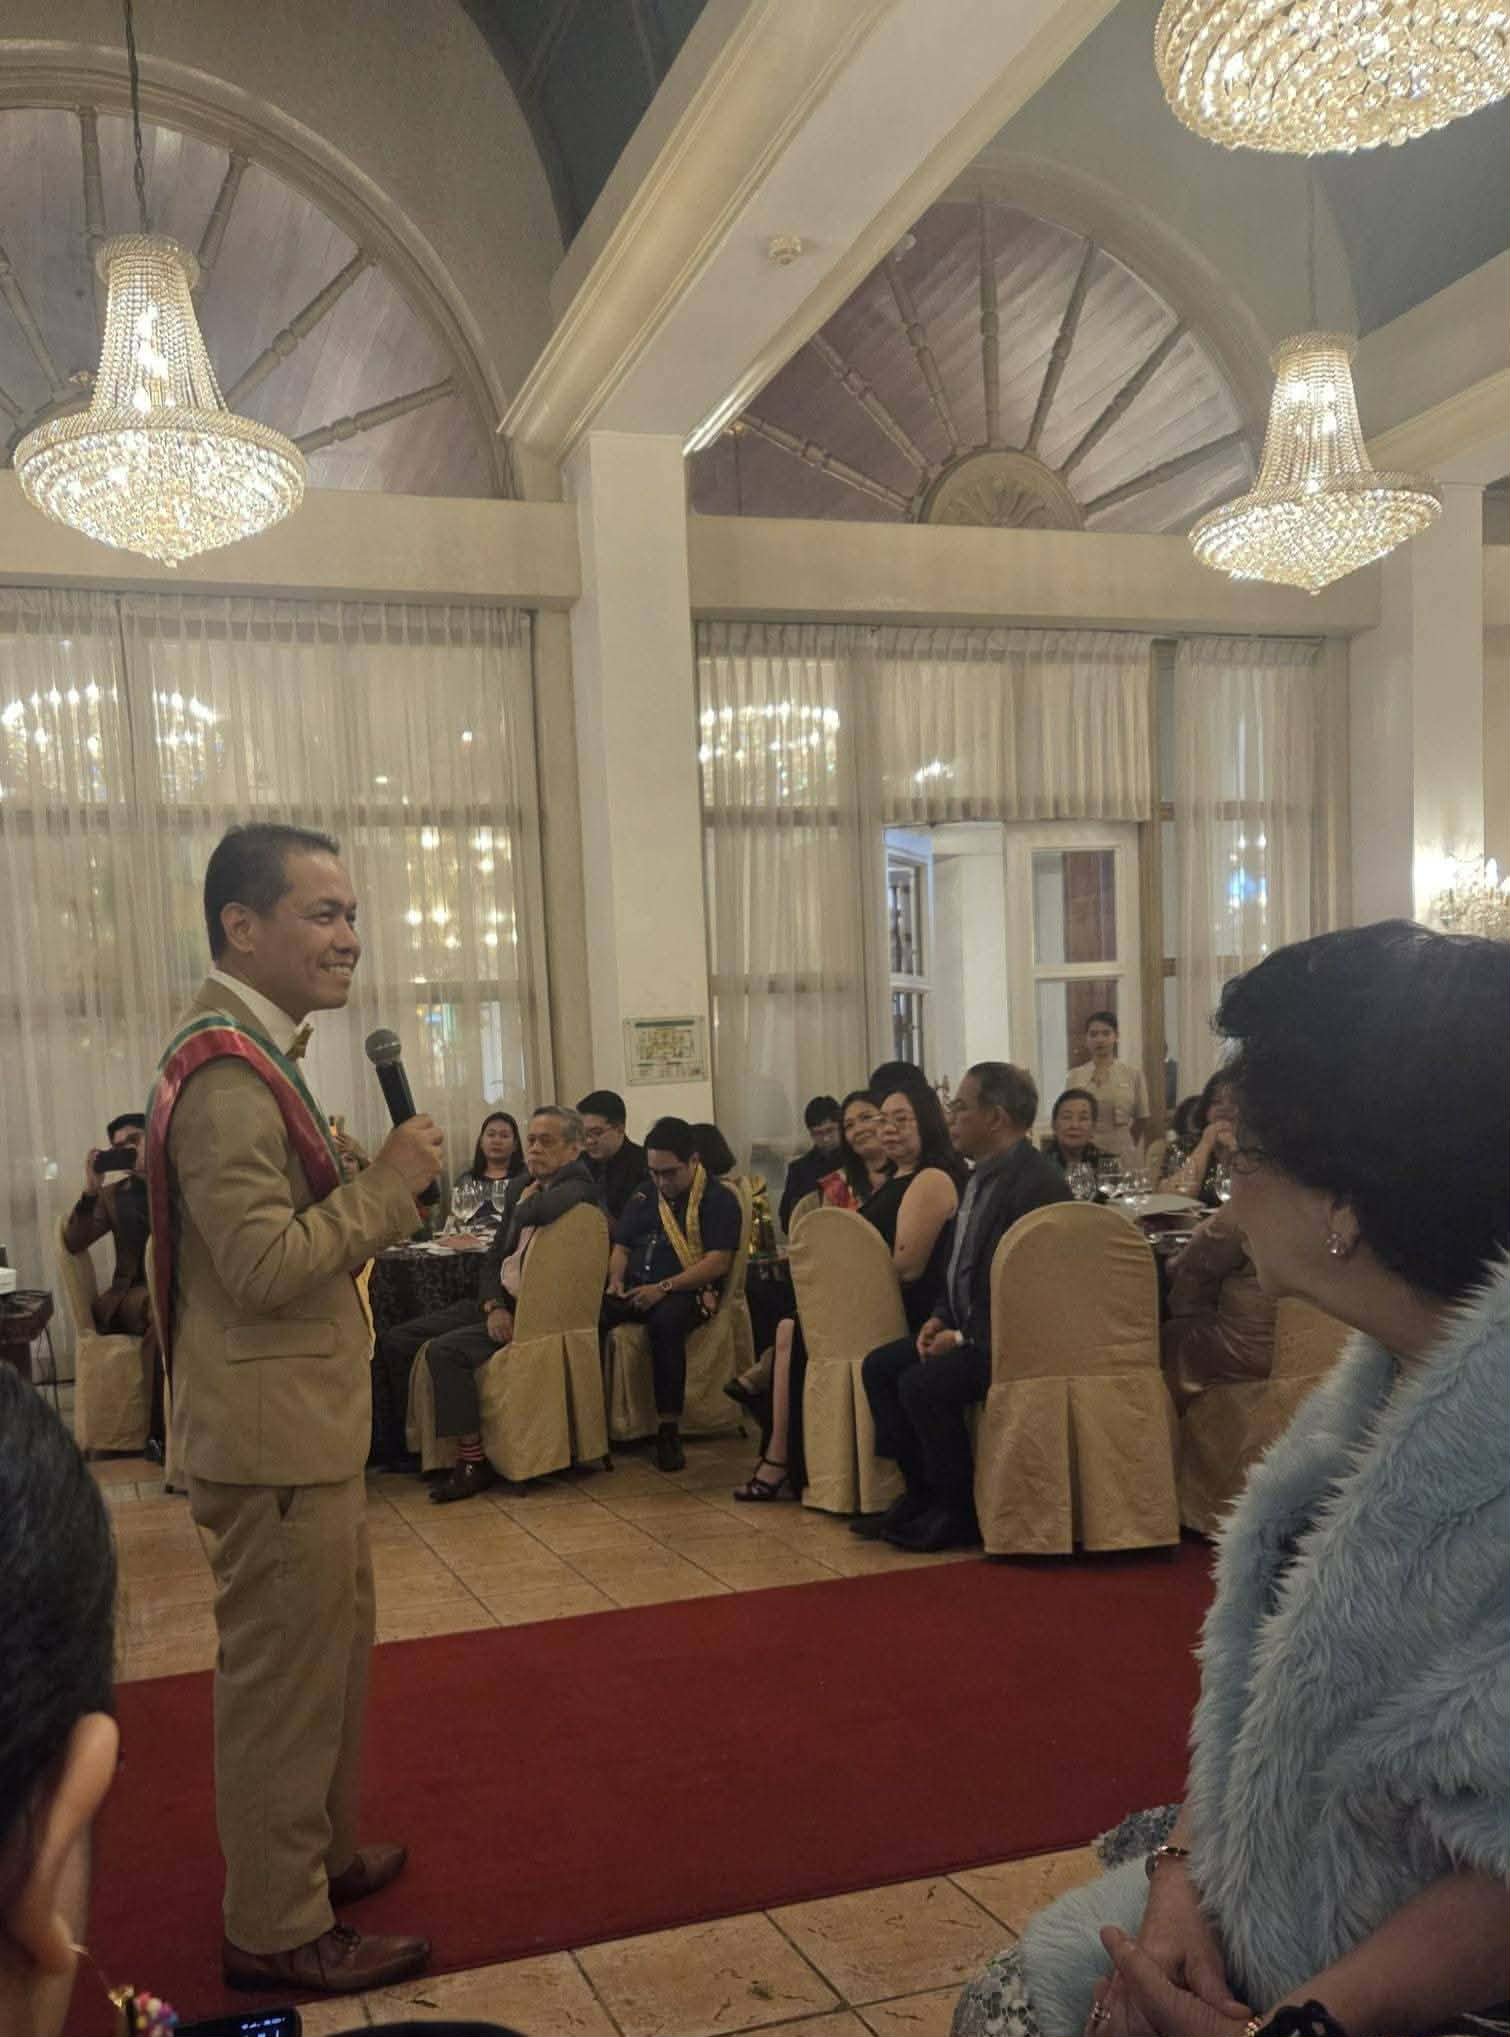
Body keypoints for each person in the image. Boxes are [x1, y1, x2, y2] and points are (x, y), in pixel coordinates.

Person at [953, 920, 1510, 2036]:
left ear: (1346, 1200)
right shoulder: (1375, 1393)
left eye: (1244, 1158)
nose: (1227, 1198)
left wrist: (1298, 2022)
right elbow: (1257, 1725)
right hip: (1264, 1901)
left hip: (1402, 1993)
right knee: (1011, 1999)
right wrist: (1176, 1879)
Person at [0, 1366, 524, 2037]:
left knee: (330, 1648)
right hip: (268, 1421)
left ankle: (318, 1859)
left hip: (303, 1414)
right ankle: (277, 1924)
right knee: (283, 1673)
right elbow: (250, 1288)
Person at [144, 821, 443, 1994]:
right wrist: (389, 1186)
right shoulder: (226, 1071)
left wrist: (365, 1181)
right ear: (241, 926)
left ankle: (312, 1860)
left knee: (329, 1663)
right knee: (283, 1688)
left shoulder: (265, 1053)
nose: (348, 938)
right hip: (271, 1441)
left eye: (351, 915)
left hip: (298, 1429)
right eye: (323, 914)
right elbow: (264, 1266)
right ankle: (274, 1927)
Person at [858, 1062, 1071, 1552]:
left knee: (923, 1385)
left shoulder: (1036, 1184)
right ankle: (921, 1493)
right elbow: (958, 1265)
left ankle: (956, 1509)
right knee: (880, 1368)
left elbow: (1031, 1286)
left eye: (960, 1107)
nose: (950, 1117)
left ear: (995, 1117)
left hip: (1012, 1340)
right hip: (969, 1326)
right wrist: (940, 1316)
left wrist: (964, 1337)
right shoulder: (977, 1177)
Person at [735, 1084, 963, 1501]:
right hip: (868, 1300)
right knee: (790, 1326)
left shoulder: (928, 1179)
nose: (886, 1129)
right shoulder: (881, 1181)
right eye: (883, 1120)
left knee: (795, 1330)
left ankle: (781, 1457)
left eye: (899, 1120)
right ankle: (783, 1456)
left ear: (928, 1122)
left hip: (901, 1309)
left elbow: (907, 1269)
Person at [424, 1106, 601, 1504]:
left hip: (542, 1317)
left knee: (445, 1351)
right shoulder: (524, 1184)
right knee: (407, 1335)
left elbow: (537, 1211)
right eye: (532, 1140)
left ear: (574, 1149)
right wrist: (492, 1306)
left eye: (546, 1142)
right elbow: (492, 1260)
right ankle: (412, 1451)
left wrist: (518, 1202)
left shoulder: (579, 1185)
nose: (534, 1149)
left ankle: (473, 1462)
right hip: (505, 1303)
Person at [604, 1115, 743, 1471]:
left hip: (688, 1290)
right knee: (588, 1313)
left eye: (669, 1173)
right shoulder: (643, 1194)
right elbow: (621, 1246)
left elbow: (717, 1262)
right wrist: (615, 1279)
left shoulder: (718, 1198)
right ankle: (595, 1425)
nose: (661, 1182)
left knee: (665, 1325)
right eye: (654, 1173)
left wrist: (663, 1288)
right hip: (638, 1286)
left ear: (693, 1161)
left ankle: (668, 1428)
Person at [62, 1109, 164, 1455]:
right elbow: (74, 1241)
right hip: (131, 1295)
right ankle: (159, 1435)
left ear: (153, 1138)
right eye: (119, 1147)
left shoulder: (178, 1182)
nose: (128, 1150)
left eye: (134, 1140)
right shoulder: (112, 1196)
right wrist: (91, 1190)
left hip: (180, 1288)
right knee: (160, 1313)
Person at [1160, 1206, 1275, 1415]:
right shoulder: (1335, 1206)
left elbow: (1190, 1265)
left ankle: (1173, 1426)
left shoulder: (1251, 1204)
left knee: (1170, 1335)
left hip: (1248, 1354)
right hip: (1323, 1352)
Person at [1064, 1010, 1150, 1166]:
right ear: (1086, 1039)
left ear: (1116, 1036)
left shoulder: (1132, 1074)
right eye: (1093, 1034)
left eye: (1106, 1033)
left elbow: (1142, 1117)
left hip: (1122, 1151)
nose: (1100, 1039)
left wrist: (1126, 1141)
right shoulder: (1074, 1076)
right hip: (1084, 1151)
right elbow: (1067, 1114)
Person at [1161, 1070, 1239, 1204]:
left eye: (1234, 1101)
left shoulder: (1260, 1149)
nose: (1224, 1108)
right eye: (1216, 1102)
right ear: (1206, 1110)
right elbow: (1172, 1200)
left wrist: (1236, 1153)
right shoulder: (1184, 1145)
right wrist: (1205, 1144)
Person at [577, 1088, 648, 1222]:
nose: (589, 1141)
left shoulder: (643, 1165)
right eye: (584, 1134)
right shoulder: (579, 1163)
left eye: (596, 1133)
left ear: (620, 1128)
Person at [778, 1094, 843, 1229]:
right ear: (811, 1134)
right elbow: (787, 1219)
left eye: (830, 1130)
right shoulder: (799, 1170)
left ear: (840, 1127)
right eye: (818, 1133)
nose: (826, 1138)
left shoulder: (856, 1160)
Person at [455, 1109, 525, 1211]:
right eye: (491, 1135)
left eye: (504, 1136)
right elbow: (458, 1216)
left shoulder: (526, 1178)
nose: (497, 1141)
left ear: (515, 1145)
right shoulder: (466, 1181)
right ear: (481, 1142)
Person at [1041, 1088, 1109, 1179]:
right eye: (1067, 1117)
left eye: (1083, 1118)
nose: (1074, 1125)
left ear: (1093, 1127)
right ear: (1054, 1125)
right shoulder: (1039, 1165)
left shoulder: (1106, 1164)